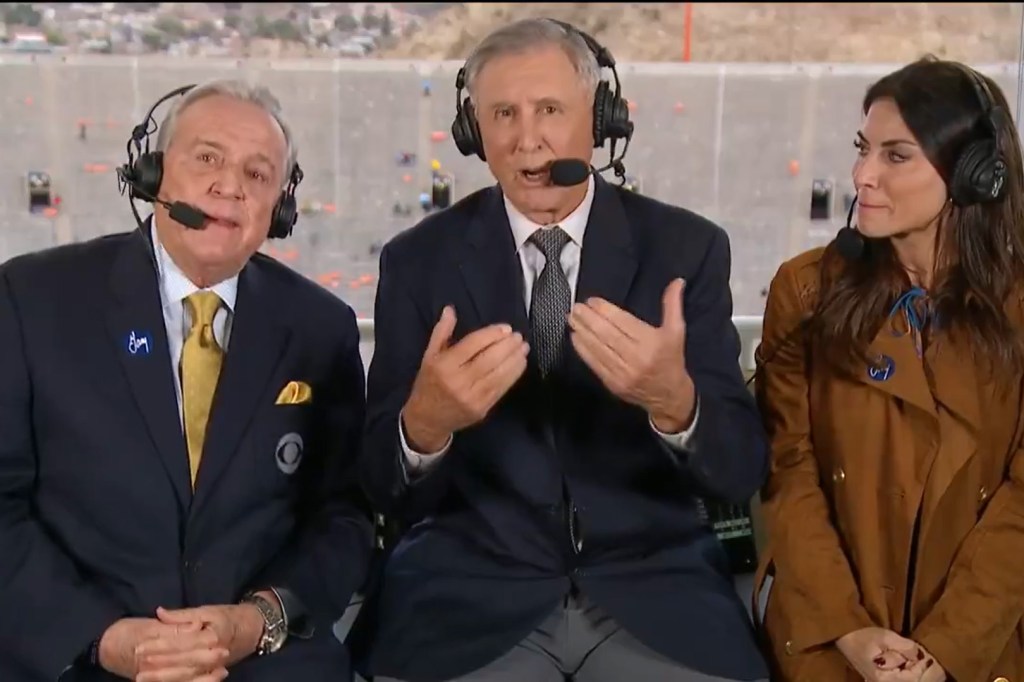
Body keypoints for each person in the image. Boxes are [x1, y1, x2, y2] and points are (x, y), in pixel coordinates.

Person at [356, 17, 770, 682]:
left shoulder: (686, 250)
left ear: (599, 119)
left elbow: (740, 469)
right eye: (503, 114)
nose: (528, 138)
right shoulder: (418, 263)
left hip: (653, 590)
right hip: (469, 595)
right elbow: (376, 481)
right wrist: (422, 427)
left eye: (550, 109)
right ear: (475, 134)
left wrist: (676, 404)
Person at [0, 79, 373, 681]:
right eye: (207, 158)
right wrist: (108, 638)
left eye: (258, 174)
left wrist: (257, 620)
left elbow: (345, 517)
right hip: (79, 660)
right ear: (152, 173)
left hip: (259, 662)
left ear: (279, 205)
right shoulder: (32, 298)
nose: (230, 186)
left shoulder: (320, 327)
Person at [754, 55, 1024, 682]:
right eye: (862, 148)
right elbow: (788, 472)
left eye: (895, 156)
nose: (861, 175)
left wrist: (944, 653)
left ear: (974, 175)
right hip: (830, 625)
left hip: (981, 638)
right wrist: (848, 628)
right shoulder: (806, 292)